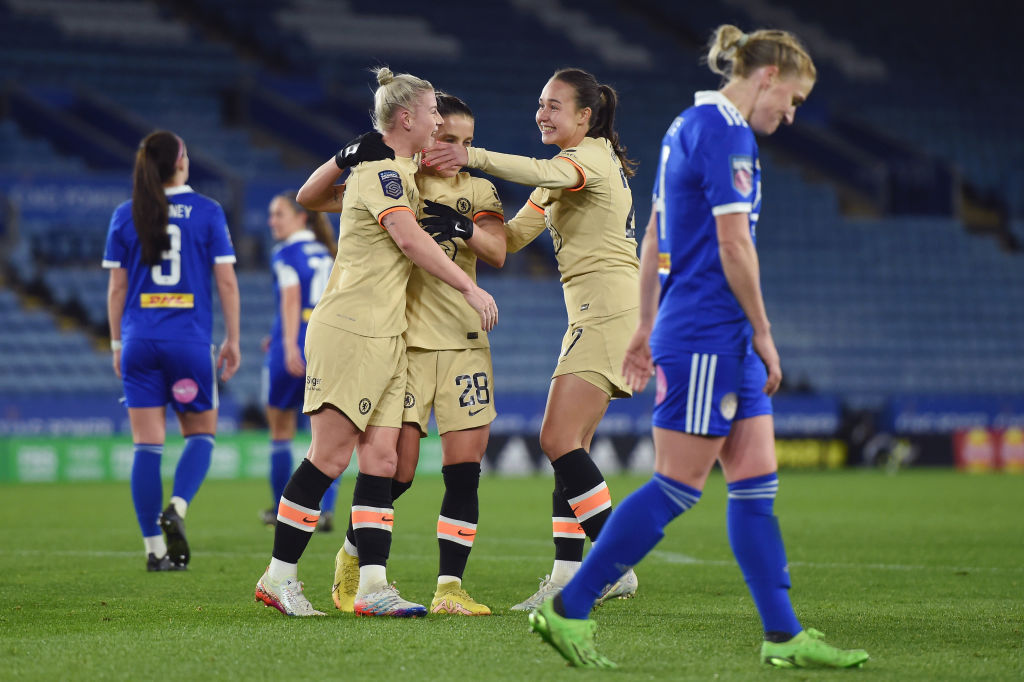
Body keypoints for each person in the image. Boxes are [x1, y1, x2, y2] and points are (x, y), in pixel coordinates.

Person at [526, 26, 870, 670]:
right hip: (711, 331)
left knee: (754, 487)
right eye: (791, 100)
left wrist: (643, 327)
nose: (789, 115)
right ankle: (568, 608)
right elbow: (735, 244)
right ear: (766, 77)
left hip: (712, 332)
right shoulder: (726, 132)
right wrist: (764, 335)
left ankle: (783, 634)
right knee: (679, 488)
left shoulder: (687, 124)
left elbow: (656, 233)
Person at [253, 67, 498, 618]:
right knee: (330, 455)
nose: (440, 120)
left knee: (382, 460)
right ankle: (279, 577)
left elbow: (312, 195)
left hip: (388, 335)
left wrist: (343, 159)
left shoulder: (400, 173)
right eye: (434, 111)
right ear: (406, 117)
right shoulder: (378, 173)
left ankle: (373, 587)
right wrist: (468, 287)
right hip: (351, 328)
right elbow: (405, 238)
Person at [423, 67, 641, 611]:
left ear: (585, 116)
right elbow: (515, 238)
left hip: (608, 308)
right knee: (572, 447)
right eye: (540, 103)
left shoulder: (586, 157)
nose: (542, 113)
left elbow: (537, 169)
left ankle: (614, 563)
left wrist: (469, 158)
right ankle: (568, 575)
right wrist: (460, 226)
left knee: (556, 439)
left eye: (554, 105)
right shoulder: (565, 172)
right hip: (598, 309)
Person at [103, 130, 241, 572]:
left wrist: (116, 343)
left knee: (146, 446)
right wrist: (234, 339)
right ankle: (177, 507)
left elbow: (116, 289)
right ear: (182, 161)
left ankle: (153, 551)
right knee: (200, 435)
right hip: (188, 343)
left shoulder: (126, 215)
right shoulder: (207, 212)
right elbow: (226, 281)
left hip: (139, 341)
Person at [260, 191, 341, 531]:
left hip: (293, 346)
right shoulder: (329, 253)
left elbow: (291, 300)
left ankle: (285, 510)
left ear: (300, 217)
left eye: (278, 214)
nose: (272, 221)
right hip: (328, 344)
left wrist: (290, 344)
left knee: (280, 431)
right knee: (328, 436)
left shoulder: (285, 253)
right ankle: (323, 512)